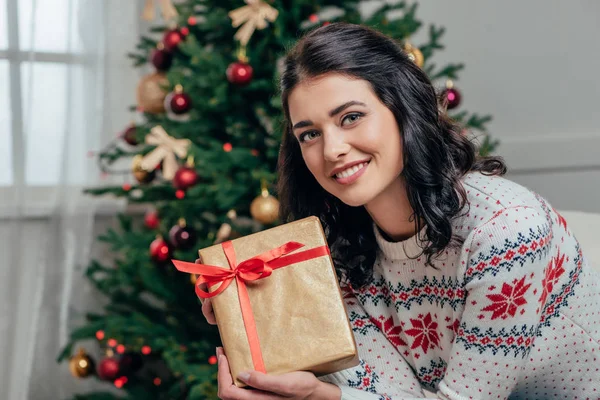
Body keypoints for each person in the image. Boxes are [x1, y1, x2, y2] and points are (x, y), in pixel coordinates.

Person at [200, 23, 600, 399]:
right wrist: (261, 319)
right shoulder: (340, 256)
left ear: (402, 108)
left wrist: (323, 396)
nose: (332, 149)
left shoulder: (506, 229)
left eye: (351, 117)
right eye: (309, 134)